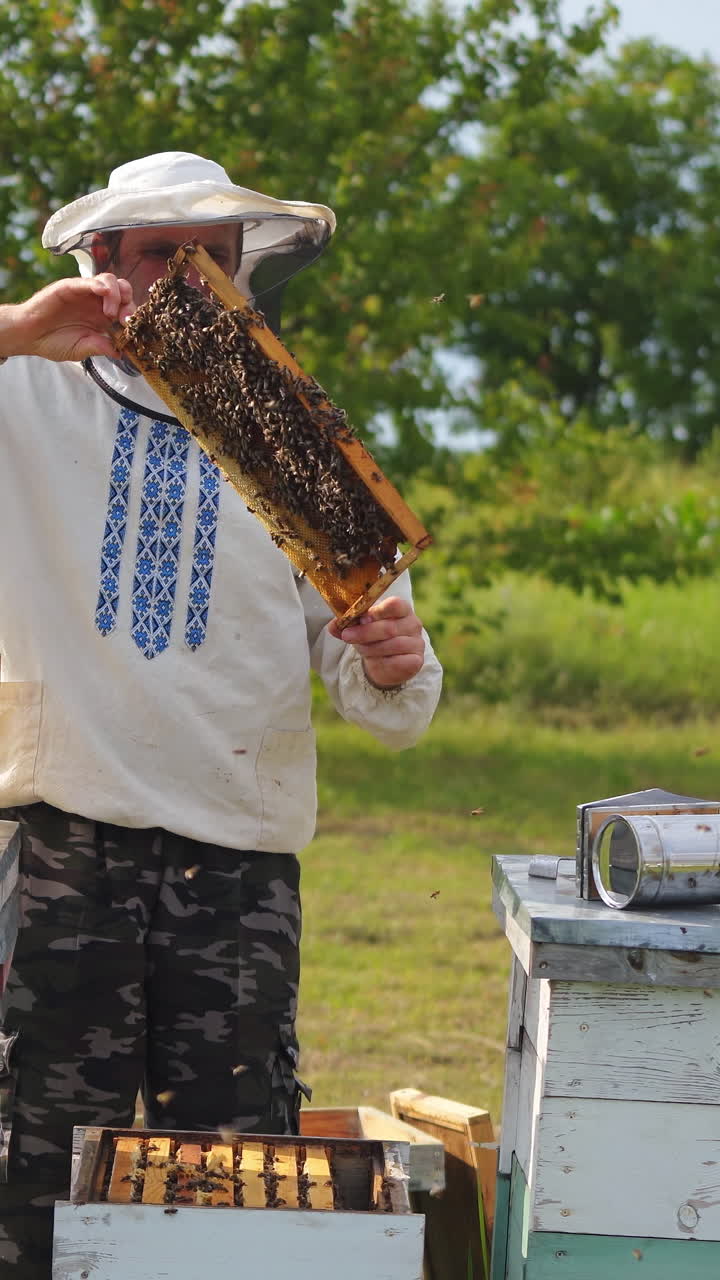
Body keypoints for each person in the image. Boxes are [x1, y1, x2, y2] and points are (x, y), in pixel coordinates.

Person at [0, 151, 442, 1277]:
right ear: (101, 262)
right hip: (65, 852)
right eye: (164, 256)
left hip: (236, 864)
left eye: (216, 261)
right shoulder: (23, 390)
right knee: (36, 1178)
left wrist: (392, 660)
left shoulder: (292, 430)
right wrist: (18, 328)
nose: (195, 283)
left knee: (238, 1187)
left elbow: (388, 691)